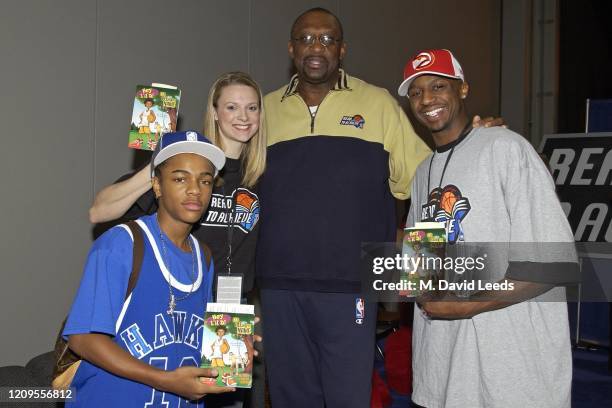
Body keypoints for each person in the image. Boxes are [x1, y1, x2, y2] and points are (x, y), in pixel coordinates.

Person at [256, 8, 502, 407]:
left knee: (348, 398)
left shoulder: (379, 104)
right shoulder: (263, 110)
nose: (315, 47)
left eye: (326, 39)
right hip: (279, 284)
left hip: (354, 283)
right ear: (291, 49)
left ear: (342, 49)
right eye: (305, 39)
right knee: (288, 399)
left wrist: (477, 142)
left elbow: (430, 177)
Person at [398, 49, 577, 407]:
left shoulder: (507, 149)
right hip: (446, 370)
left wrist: (466, 305)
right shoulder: (423, 174)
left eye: (437, 86)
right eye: (416, 92)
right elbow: (421, 273)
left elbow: (554, 263)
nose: (426, 99)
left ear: (463, 89)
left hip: (513, 368)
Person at [88, 71, 266, 408]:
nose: (243, 117)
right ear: (214, 112)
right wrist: (159, 160)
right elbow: (99, 212)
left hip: (230, 313)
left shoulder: (262, 173)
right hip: (180, 310)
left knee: (225, 400)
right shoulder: (188, 162)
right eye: (231, 107)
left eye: (252, 108)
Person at [63, 131, 232, 406]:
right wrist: (166, 380)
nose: (194, 189)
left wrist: (231, 344)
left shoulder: (204, 256)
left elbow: (189, 339)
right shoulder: (121, 243)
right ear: (157, 185)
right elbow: (83, 339)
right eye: (180, 178)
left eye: (205, 180)